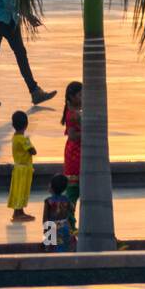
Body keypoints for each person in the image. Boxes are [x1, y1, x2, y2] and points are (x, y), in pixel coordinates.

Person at [7, 110, 36, 221]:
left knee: (19, 189)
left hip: (18, 168)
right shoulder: (23, 139)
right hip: (23, 169)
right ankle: (17, 213)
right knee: (22, 190)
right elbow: (33, 151)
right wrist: (29, 142)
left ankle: (20, 211)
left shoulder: (15, 137)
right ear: (26, 124)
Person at [61, 82, 82, 228]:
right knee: (73, 192)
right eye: (80, 95)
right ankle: (69, 225)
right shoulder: (72, 115)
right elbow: (73, 135)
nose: (83, 97)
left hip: (77, 153)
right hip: (75, 155)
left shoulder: (75, 111)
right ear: (72, 97)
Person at [43, 174, 75, 252]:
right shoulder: (66, 200)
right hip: (65, 226)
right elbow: (72, 209)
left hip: (52, 227)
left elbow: (45, 218)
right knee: (66, 247)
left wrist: (46, 232)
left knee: (53, 249)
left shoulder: (48, 201)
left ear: (51, 187)